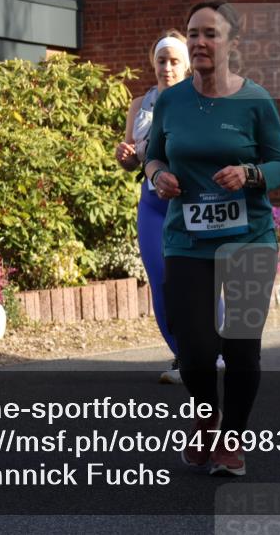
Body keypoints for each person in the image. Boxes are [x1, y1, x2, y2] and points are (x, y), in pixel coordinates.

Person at [144, 0, 280, 476]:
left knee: (241, 346)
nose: (200, 42)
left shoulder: (255, 101)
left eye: (210, 33)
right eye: (193, 33)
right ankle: (206, 421)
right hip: (187, 238)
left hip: (249, 237)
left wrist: (250, 173)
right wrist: (156, 176)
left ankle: (231, 438)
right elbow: (153, 156)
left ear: (231, 43)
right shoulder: (170, 100)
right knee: (196, 350)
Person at [115, 30, 191, 384]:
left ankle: (214, 351)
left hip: (188, 204)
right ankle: (182, 355)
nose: (167, 68)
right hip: (151, 204)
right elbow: (132, 161)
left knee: (195, 280)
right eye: (162, 61)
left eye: (175, 61)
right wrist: (126, 156)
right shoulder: (139, 104)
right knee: (160, 281)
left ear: (187, 65)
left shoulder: (198, 101)